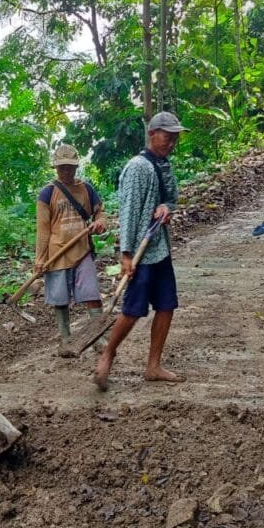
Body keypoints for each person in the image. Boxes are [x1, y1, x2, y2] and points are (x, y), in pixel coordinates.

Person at [94, 111, 186, 392]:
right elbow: (129, 211)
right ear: (152, 134)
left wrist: (165, 208)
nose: (171, 143)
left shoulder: (163, 164)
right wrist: (126, 254)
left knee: (167, 305)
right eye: (167, 137)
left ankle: (153, 366)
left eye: (174, 139)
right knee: (133, 311)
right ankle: (108, 353)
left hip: (159, 248)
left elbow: (171, 198)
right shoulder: (138, 167)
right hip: (140, 253)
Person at [36, 144, 107, 355]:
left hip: (82, 250)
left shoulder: (86, 189)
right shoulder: (47, 193)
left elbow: (100, 213)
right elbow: (42, 230)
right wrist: (40, 260)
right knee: (60, 299)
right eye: (62, 167)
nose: (66, 171)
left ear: (76, 167)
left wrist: (100, 223)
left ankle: (98, 337)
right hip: (56, 254)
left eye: (70, 167)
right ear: (56, 168)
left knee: (92, 293)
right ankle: (66, 340)